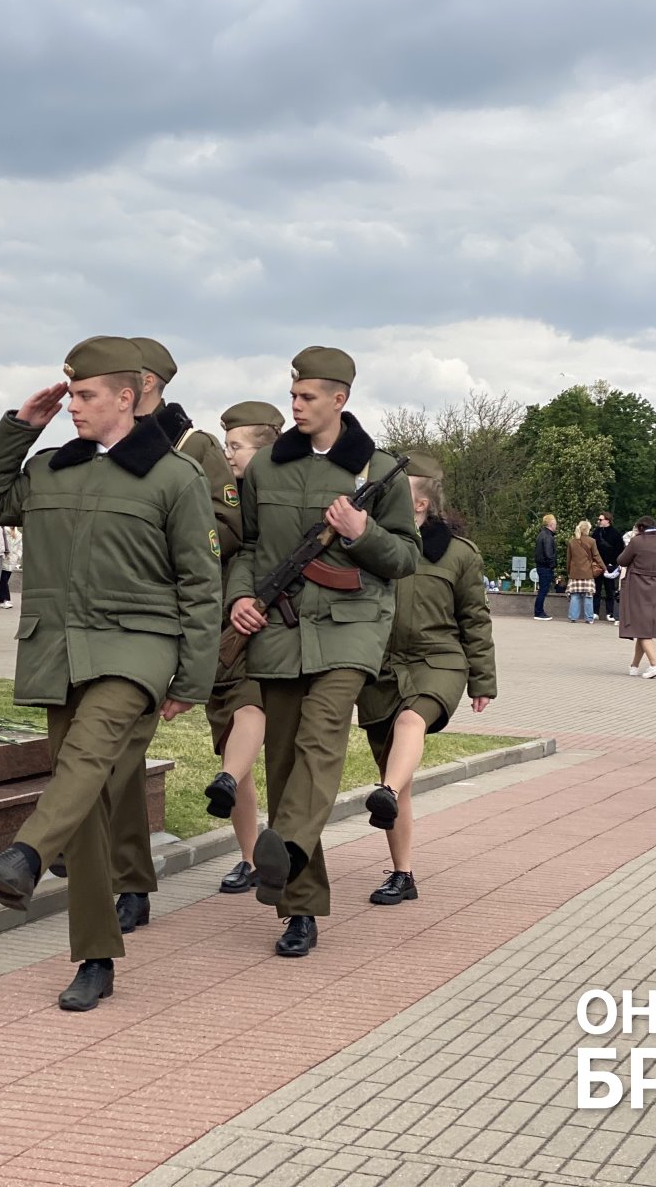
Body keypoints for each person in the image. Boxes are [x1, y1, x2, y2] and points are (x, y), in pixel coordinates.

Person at [0, 336, 219, 1012]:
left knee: (81, 762)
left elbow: (201, 584)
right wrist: (21, 426)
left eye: (85, 395)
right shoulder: (51, 468)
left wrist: (192, 681)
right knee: (83, 804)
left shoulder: (173, 478)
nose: (73, 405)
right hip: (59, 653)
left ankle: (23, 858)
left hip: (137, 651)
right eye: (70, 394)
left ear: (128, 398)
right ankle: (96, 957)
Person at [227, 346, 419, 957]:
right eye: (292, 396)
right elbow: (250, 546)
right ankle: (301, 907)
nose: (296, 406)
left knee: (323, 732)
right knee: (283, 762)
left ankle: (282, 843)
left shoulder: (377, 471)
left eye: (307, 397)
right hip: (280, 629)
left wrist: (364, 534)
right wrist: (241, 599)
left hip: (352, 627)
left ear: (340, 399)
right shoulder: (266, 471)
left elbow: (405, 560)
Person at [103, 336, 243, 933]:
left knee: (124, 752)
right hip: (95, 617)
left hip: (158, 616)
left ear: (148, 384)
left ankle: (130, 883)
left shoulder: (194, 448)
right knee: (100, 756)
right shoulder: (97, 443)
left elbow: (229, 528)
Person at [356, 453, 495, 907]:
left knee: (410, 723)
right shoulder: (370, 546)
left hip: (439, 661)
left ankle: (387, 792)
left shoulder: (458, 555)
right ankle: (403, 873)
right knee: (396, 774)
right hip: (381, 670)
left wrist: (482, 681)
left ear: (418, 505)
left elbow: (475, 618)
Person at [205, 400, 284, 893]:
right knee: (232, 742)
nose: (229, 455)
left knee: (250, 711)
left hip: (273, 625)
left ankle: (282, 852)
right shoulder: (223, 494)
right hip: (222, 625)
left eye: (236, 445)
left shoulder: (284, 490)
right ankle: (251, 857)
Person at [618, 516, 656, 678]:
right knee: (643, 627)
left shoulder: (637, 541)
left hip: (638, 586)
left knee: (640, 625)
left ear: (640, 528)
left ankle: (654, 664)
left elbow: (622, 560)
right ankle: (634, 666)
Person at [565, 520, 606, 623]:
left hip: (575, 573)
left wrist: (569, 571)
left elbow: (569, 559)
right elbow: (596, 556)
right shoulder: (591, 541)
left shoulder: (571, 541)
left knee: (575, 595)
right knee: (588, 596)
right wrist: (604, 568)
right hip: (587, 573)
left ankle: (573, 617)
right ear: (587, 529)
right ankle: (589, 618)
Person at [592, 511, 625, 621]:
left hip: (610, 565)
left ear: (608, 520)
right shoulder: (596, 532)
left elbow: (620, 549)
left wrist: (613, 563)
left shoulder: (615, 534)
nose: (599, 521)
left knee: (609, 589)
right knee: (596, 589)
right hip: (597, 564)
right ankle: (595, 611)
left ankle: (610, 612)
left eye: (601, 519)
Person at [532, 514, 558, 619]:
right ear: (551, 523)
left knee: (542, 589)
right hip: (545, 567)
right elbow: (548, 553)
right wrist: (552, 565)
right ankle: (539, 612)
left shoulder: (541, 534)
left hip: (541, 565)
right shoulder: (548, 536)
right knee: (543, 590)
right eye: (555, 523)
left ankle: (539, 611)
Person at [0, 525, 22, 608]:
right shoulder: (4, 531)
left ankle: (0, 599)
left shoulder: (19, 534)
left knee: (4, 580)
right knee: (3, 580)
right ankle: (4, 599)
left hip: (12, 559)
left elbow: (20, 547)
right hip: (4, 558)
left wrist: (17, 556)